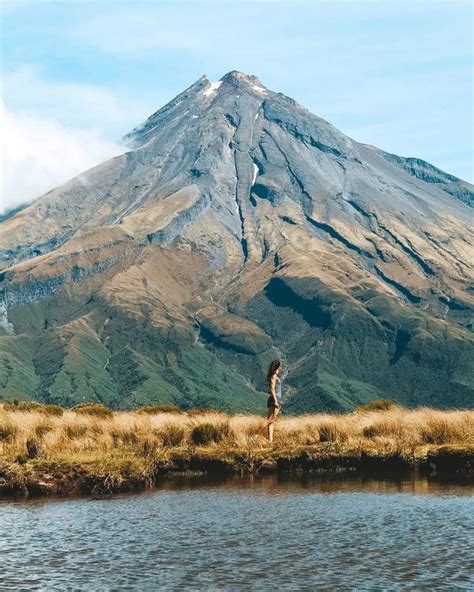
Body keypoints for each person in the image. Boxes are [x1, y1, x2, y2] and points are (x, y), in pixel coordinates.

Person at [265, 359, 282, 443]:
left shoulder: (273, 375)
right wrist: (275, 401)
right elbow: (272, 389)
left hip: (275, 399)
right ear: (277, 367)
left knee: (271, 421)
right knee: (271, 421)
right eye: (279, 367)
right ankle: (269, 440)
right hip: (274, 399)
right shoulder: (274, 376)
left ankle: (270, 440)